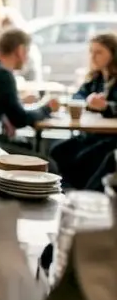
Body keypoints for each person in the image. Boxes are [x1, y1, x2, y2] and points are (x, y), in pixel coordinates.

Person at [49, 33, 117, 190]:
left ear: (113, 54)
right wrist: (87, 101)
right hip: (90, 134)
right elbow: (77, 96)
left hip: (110, 138)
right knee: (58, 150)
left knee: (83, 158)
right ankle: (65, 191)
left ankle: (80, 195)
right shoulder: (96, 78)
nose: (93, 57)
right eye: (91, 52)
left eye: (99, 52)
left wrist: (106, 107)